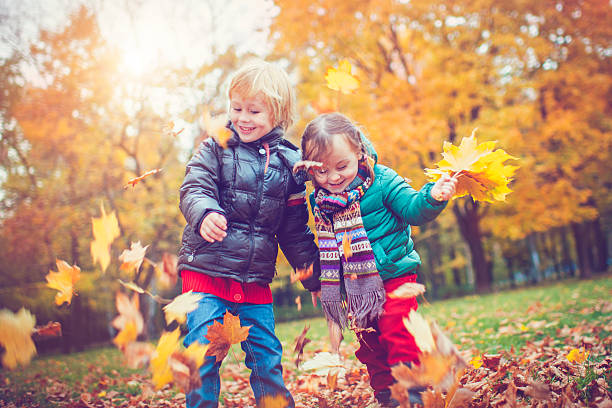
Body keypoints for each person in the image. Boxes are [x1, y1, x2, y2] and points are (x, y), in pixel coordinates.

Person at [178, 59, 320, 408]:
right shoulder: (216, 145)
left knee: (267, 359)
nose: (243, 118)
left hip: (254, 280)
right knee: (203, 356)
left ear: (278, 114)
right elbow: (194, 186)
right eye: (237, 107)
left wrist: (314, 278)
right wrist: (205, 213)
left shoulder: (290, 163)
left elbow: (294, 231)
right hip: (206, 274)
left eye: (254, 111)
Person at [294, 112, 457, 408]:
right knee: (370, 345)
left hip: (394, 274)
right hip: (356, 287)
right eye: (321, 171)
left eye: (341, 166)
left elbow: (412, 209)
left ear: (359, 151)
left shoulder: (381, 181)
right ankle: (386, 395)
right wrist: (318, 280)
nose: (332, 178)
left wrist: (432, 196)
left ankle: (411, 393)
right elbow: (326, 248)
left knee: (398, 329)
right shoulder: (319, 201)